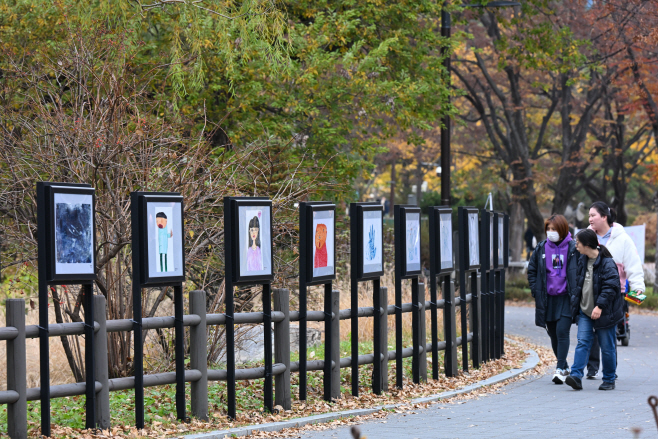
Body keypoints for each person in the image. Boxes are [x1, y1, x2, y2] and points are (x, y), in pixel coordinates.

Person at [585, 202, 645, 378]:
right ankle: (592, 367)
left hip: (614, 293)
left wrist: (638, 288)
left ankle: (610, 371)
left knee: (609, 332)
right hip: (590, 292)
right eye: (588, 216)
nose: (589, 219)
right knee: (589, 332)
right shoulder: (587, 236)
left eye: (593, 215)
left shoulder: (623, 239)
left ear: (604, 217)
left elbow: (633, 266)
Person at [566, 229, 623, 391]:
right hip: (585, 311)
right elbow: (578, 285)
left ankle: (609, 379)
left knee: (607, 346)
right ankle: (576, 376)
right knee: (583, 342)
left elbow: (611, 287)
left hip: (605, 312)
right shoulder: (581, 260)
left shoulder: (607, 262)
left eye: (578, 243)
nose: (575, 245)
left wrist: (599, 306)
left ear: (587, 245)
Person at [527, 214, 579, 384]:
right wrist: (536, 290)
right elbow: (532, 270)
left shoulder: (573, 248)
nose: (551, 232)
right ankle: (564, 367)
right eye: (548, 229)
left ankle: (559, 367)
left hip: (566, 297)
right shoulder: (541, 248)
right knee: (553, 335)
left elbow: (580, 269)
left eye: (554, 229)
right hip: (548, 298)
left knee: (562, 331)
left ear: (563, 230)